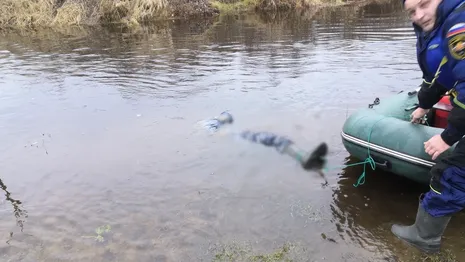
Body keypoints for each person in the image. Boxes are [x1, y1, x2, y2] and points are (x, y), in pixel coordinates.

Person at [391, 0, 465, 254]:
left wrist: (447, 137)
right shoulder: (437, 27)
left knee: (450, 173)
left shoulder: (459, 24)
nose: (419, 15)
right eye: (411, 11)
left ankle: (424, 237)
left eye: (424, 4)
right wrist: (423, 106)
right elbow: (439, 76)